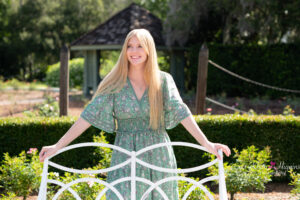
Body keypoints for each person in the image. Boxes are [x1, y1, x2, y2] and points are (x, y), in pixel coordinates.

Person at [39, 28, 231, 199]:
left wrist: (207, 144)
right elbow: (87, 116)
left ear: (149, 49)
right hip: (124, 154)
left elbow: (182, 112)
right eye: (129, 46)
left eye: (139, 46)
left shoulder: (163, 81)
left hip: (158, 154)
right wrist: (57, 146)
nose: (134, 51)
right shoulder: (114, 82)